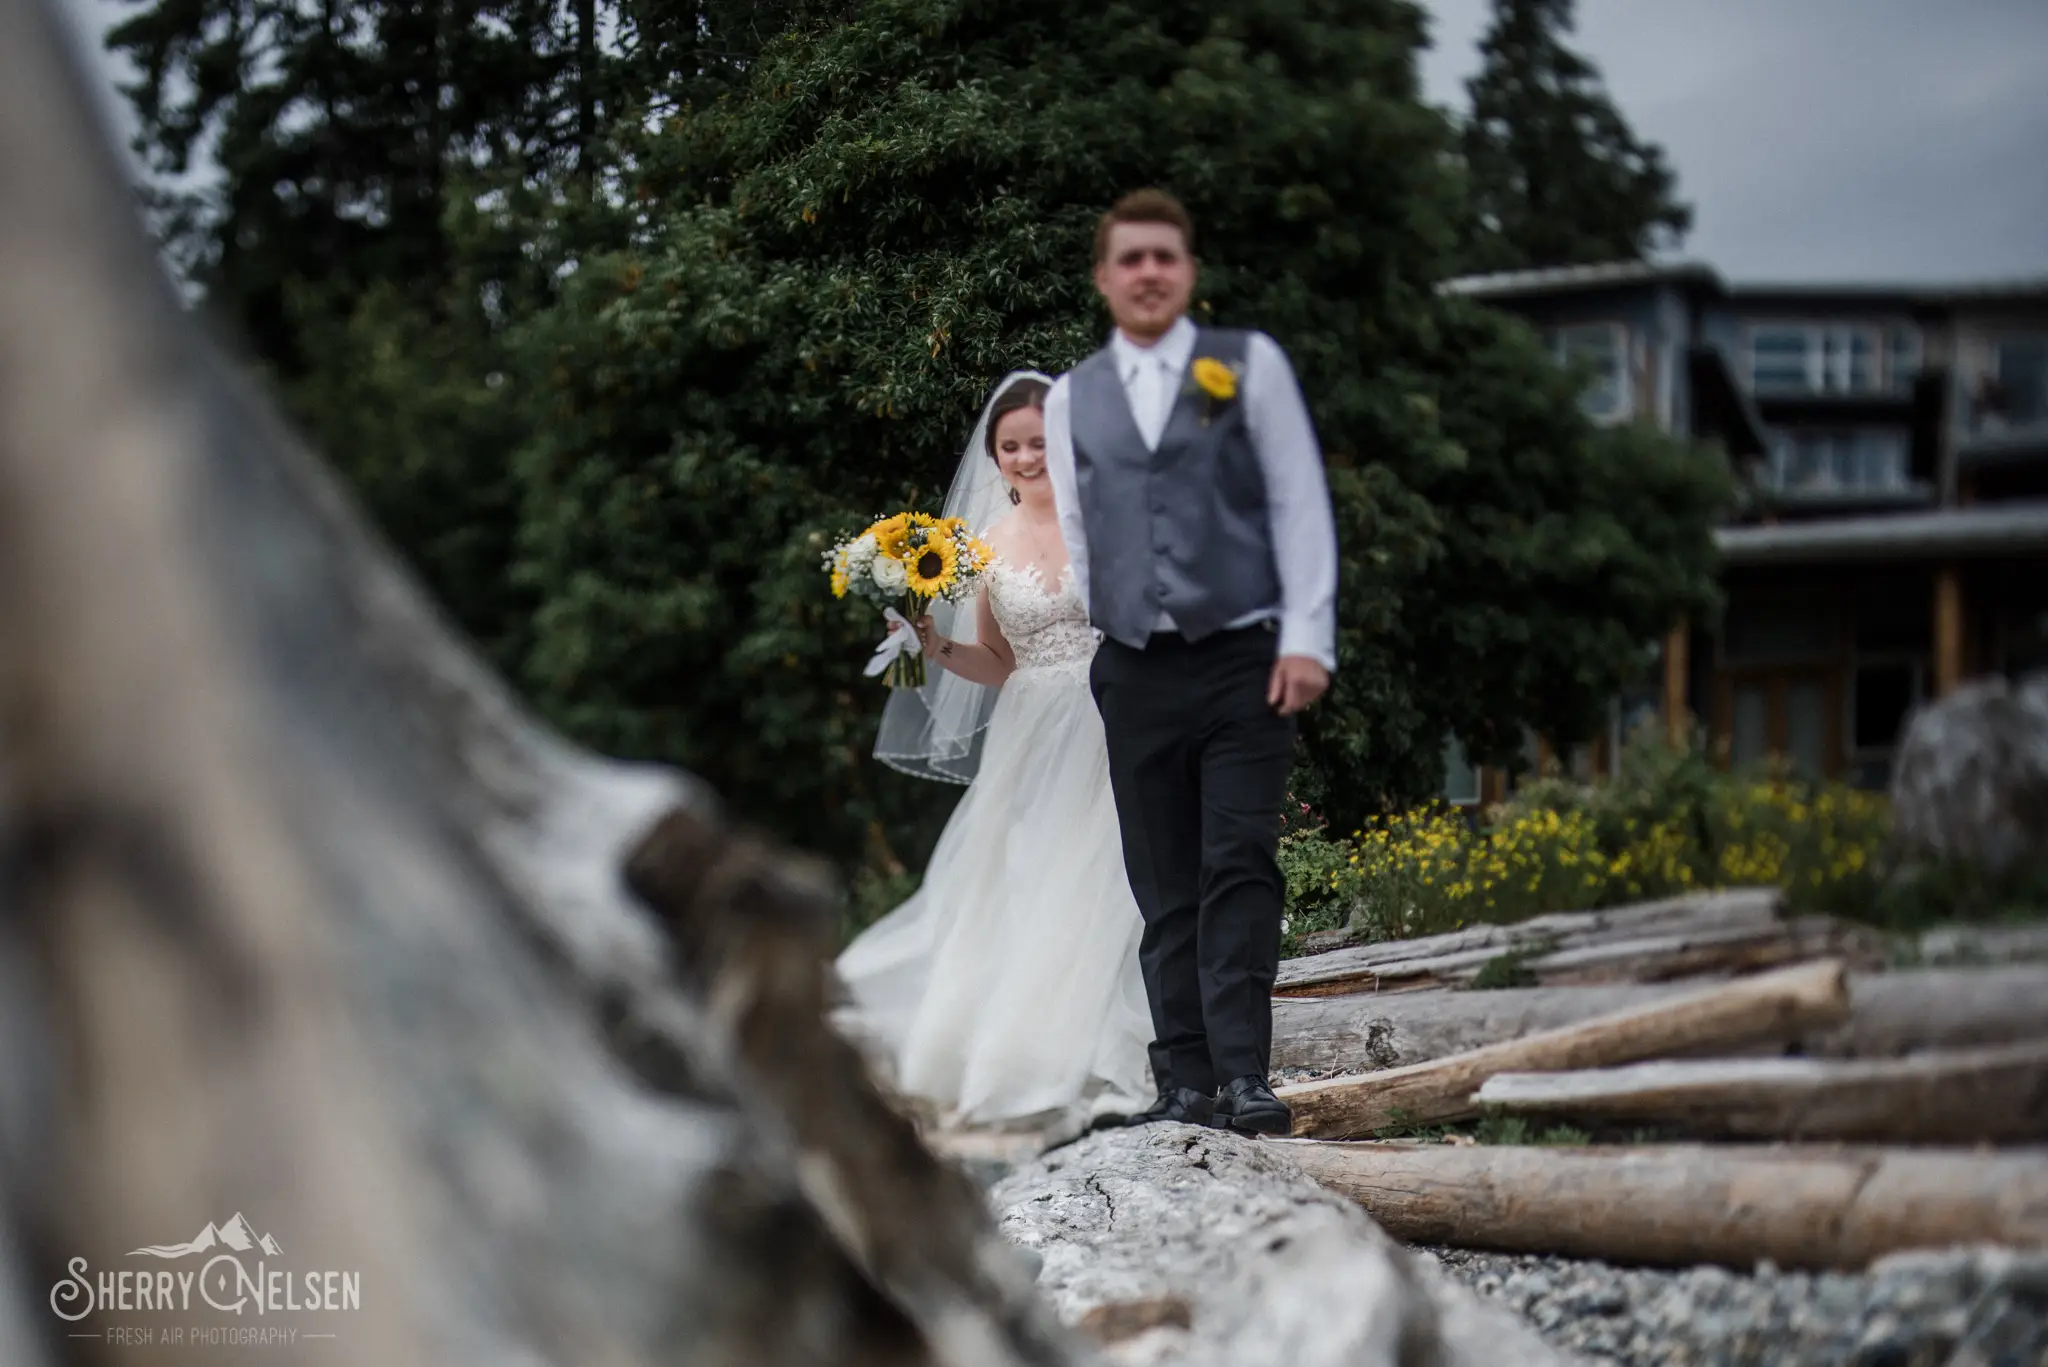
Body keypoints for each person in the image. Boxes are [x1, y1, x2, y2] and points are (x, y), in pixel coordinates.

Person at [1042, 188, 1339, 1137]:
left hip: (1244, 657)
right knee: (1160, 878)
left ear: (1189, 270)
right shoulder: (1068, 397)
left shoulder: (1247, 367)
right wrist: (1110, 627)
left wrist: (1306, 637)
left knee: (1239, 861)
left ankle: (1245, 1073)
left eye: (1164, 256)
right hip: (1136, 664)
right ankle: (1185, 1081)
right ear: (1104, 276)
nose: (1148, 272)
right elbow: (1083, 534)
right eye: (1130, 258)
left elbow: (1298, 502)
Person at [832, 372, 1154, 1134]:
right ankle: (1022, 1052)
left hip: (1111, 713)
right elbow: (1000, 660)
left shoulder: (1101, 524)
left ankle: (1112, 1051)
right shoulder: (983, 547)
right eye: (1010, 445)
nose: (1025, 456)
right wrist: (936, 645)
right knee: (1030, 874)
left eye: (1039, 441)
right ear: (995, 456)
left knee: (1110, 873)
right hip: (1034, 728)